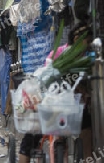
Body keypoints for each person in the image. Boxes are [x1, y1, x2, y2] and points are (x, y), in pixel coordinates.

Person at [18, 22, 92, 163]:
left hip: (69, 107)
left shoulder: (86, 58)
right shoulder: (59, 54)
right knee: (30, 138)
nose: (88, 45)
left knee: (87, 127)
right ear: (76, 39)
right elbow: (46, 79)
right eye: (86, 41)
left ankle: (88, 159)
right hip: (50, 104)